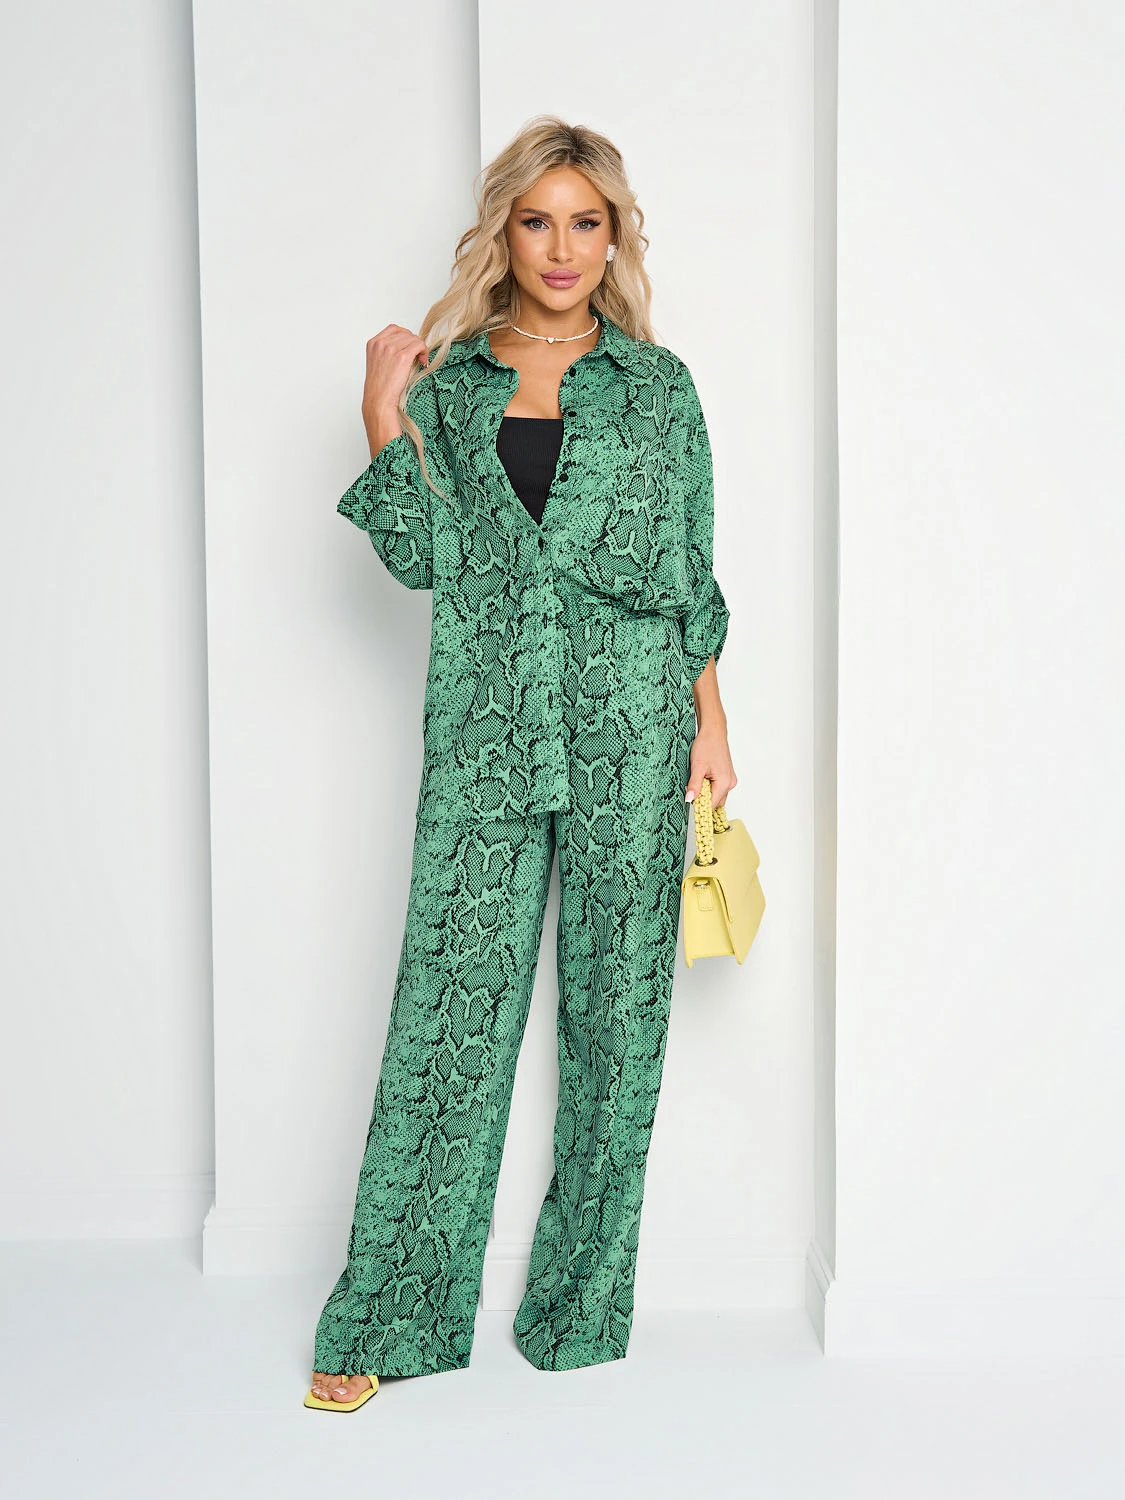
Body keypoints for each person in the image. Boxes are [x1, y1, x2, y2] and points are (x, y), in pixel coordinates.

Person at [306, 113, 736, 1411]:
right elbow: (425, 560)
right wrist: (381, 418)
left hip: (633, 725)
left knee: (619, 1023)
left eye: (585, 222)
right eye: (537, 220)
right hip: (487, 731)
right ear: (505, 231)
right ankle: (390, 1317)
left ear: (614, 237)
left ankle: (578, 1312)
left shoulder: (657, 389)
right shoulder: (449, 385)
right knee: (449, 1015)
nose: (560, 247)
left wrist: (712, 724)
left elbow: (686, 571)